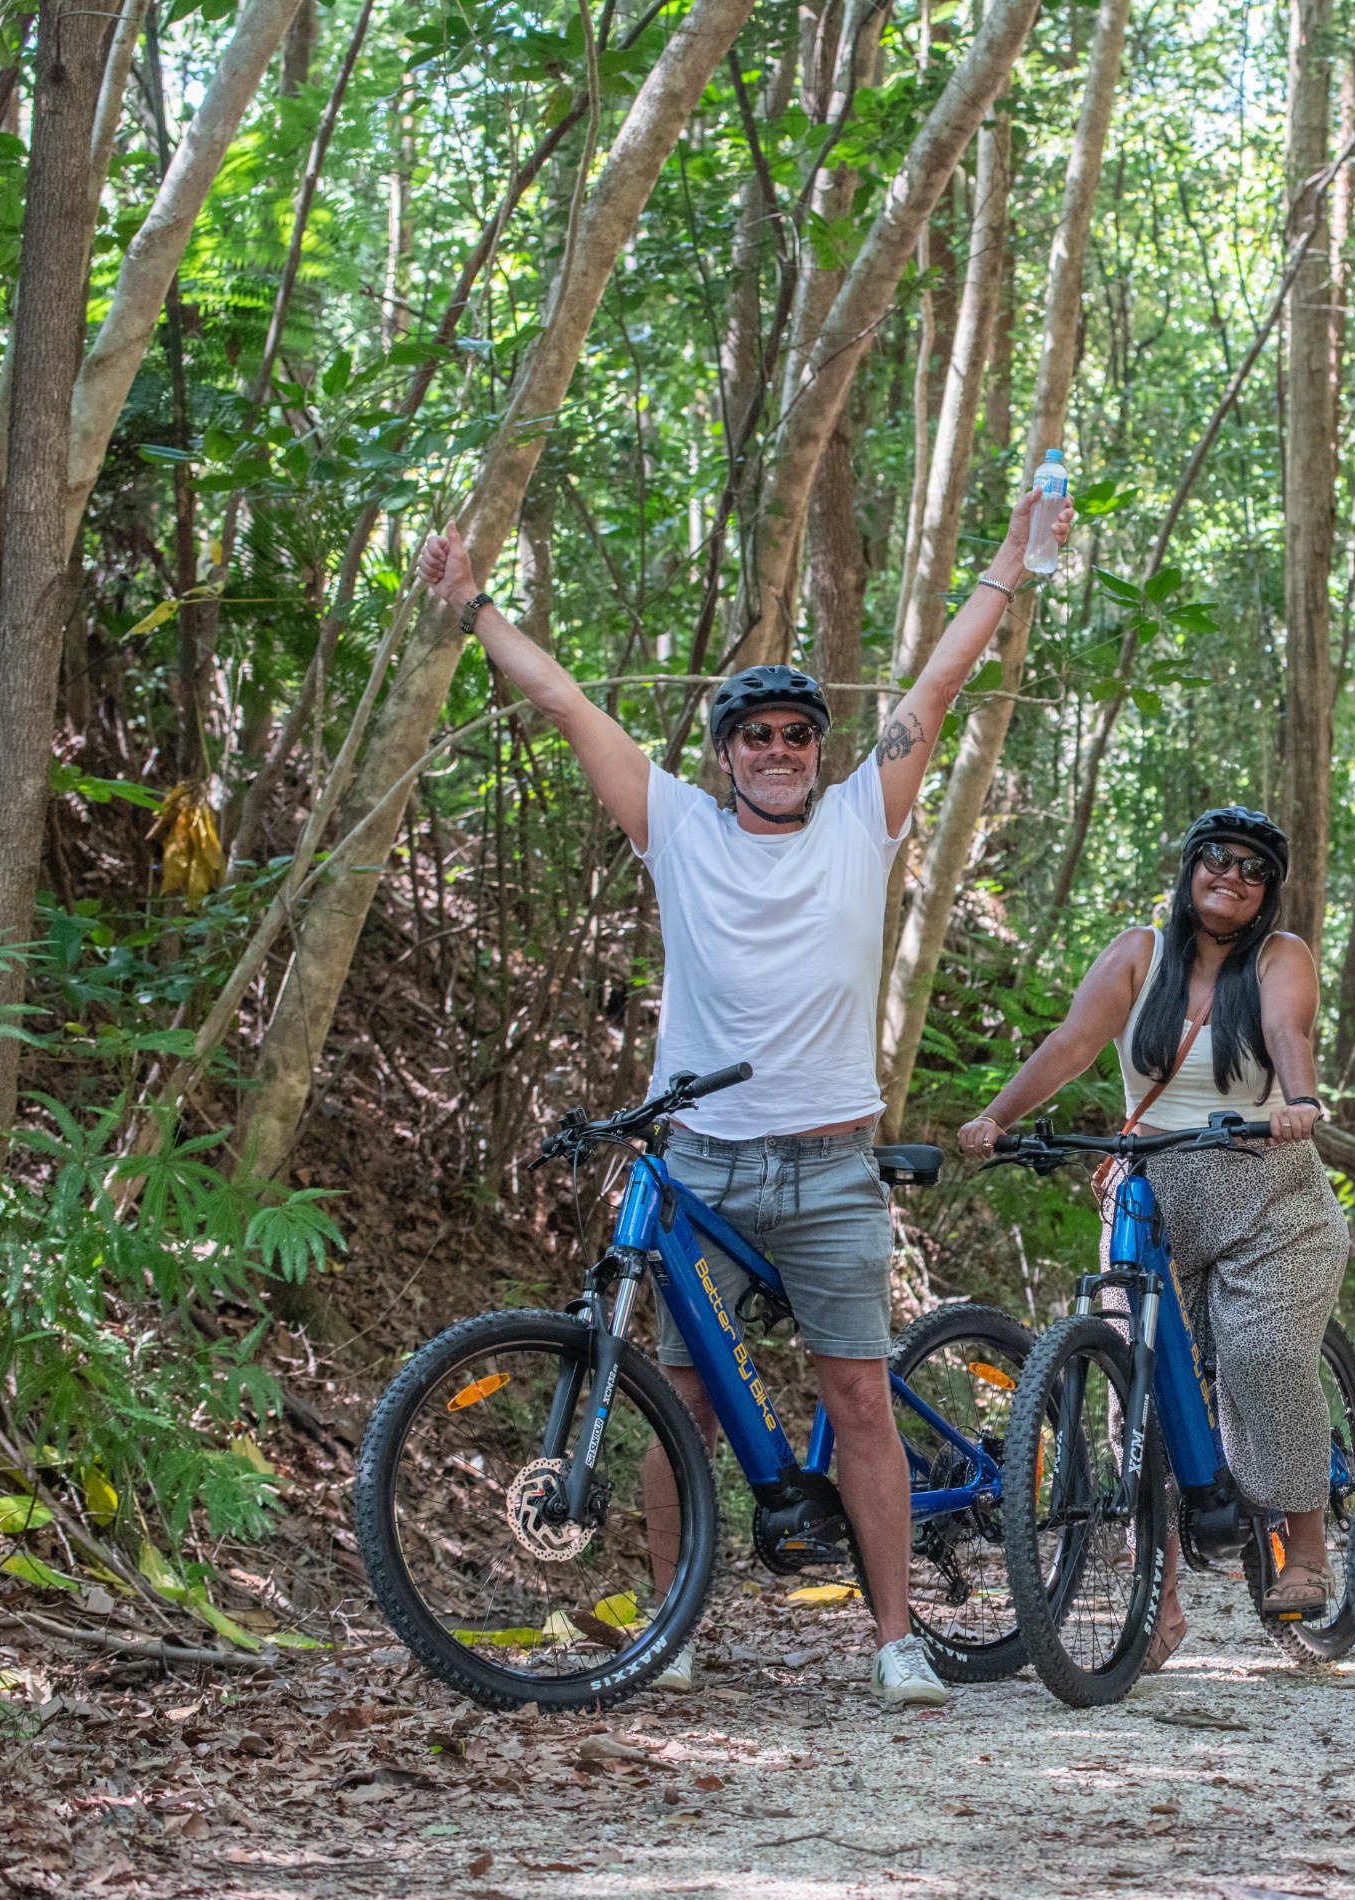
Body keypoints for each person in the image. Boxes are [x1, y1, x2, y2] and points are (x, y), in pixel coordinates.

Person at [412, 486, 1072, 1708]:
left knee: (858, 1395)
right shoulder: (676, 824)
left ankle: (892, 1640)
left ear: (821, 754)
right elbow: (565, 703)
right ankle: (677, 1625)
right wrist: (474, 608)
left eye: (797, 736)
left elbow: (932, 686)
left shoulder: (861, 823)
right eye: (756, 735)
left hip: (829, 1162)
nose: (779, 750)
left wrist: (1014, 564)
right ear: (723, 755)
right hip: (702, 1161)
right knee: (684, 1405)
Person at [958, 808, 1346, 1670]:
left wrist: (1300, 1100)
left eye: (1253, 869)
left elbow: (1291, 1035)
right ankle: (1158, 1602)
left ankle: (1308, 1541)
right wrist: (995, 1116)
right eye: (1216, 858)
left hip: (1265, 1195)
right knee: (1132, 1382)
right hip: (1151, 1189)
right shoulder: (1139, 952)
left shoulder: (1281, 958)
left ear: (1267, 891)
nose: (1232, 876)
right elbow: (1070, 1043)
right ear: (1188, 866)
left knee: (1261, 1357)